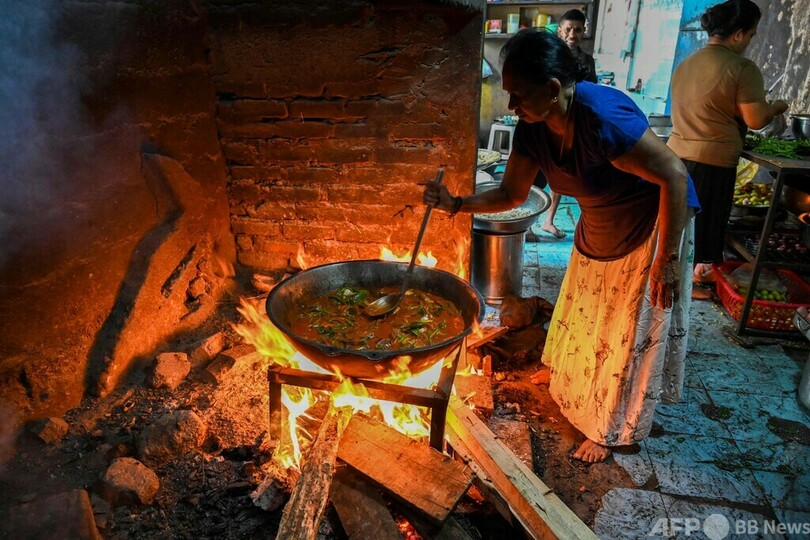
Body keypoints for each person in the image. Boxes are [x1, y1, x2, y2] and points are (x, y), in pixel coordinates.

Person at [424, 29, 700, 463]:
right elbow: (511, 194)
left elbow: (675, 177)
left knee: (626, 331)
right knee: (585, 313)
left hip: (653, 225)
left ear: (552, 89)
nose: (512, 106)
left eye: (518, 95)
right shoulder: (534, 128)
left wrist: (666, 261)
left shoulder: (603, 117)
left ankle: (612, 428)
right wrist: (457, 204)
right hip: (600, 220)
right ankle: (573, 385)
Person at [667, 0, 788, 299]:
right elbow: (756, 119)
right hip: (711, 160)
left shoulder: (687, 63)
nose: (749, 42)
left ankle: (688, 276)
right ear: (737, 34)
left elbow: (711, 105)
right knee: (703, 225)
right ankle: (688, 284)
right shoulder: (741, 67)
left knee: (683, 222)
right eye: (751, 35)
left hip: (676, 156)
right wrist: (777, 107)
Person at [536, 9, 598, 239]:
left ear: (584, 31)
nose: (573, 34)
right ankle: (526, 224)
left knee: (562, 174)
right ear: (560, 30)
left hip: (572, 125)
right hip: (545, 122)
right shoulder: (549, 55)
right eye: (569, 29)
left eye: (578, 30)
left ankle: (548, 221)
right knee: (536, 174)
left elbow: (591, 91)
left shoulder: (587, 61)